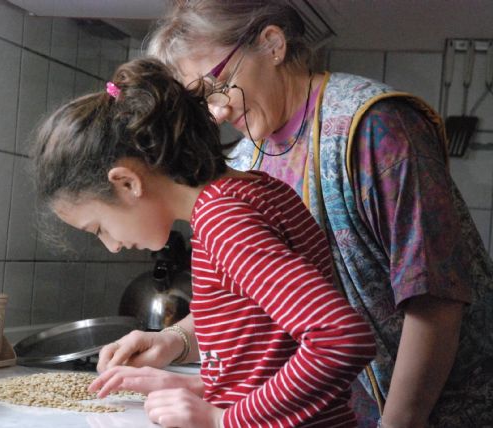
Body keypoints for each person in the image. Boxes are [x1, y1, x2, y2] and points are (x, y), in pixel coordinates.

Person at [96, 2, 493, 427]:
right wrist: (173, 340)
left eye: (219, 83)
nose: (217, 112)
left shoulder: (375, 126)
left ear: (272, 44)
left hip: (444, 411)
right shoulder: (246, 158)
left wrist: (397, 424)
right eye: (200, 99)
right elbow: (259, 303)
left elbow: (436, 299)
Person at [32, 57, 376, 427]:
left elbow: (339, 338)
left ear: (127, 182)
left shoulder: (222, 220)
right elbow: (266, 342)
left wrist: (222, 421)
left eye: (99, 228)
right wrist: (195, 379)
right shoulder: (256, 189)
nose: (112, 245)